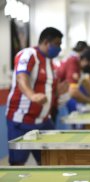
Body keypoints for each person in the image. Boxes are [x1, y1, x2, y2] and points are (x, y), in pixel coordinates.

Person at [6, 27, 68, 165]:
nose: (59, 48)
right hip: (22, 120)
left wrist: (59, 91)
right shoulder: (28, 54)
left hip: (44, 121)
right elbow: (22, 77)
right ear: (47, 42)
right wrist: (32, 95)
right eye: (57, 44)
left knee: (50, 160)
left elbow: (48, 91)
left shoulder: (51, 64)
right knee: (18, 163)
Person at [57, 48, 90, 113]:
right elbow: (73, 92)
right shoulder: (73, 63)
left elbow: (86, 82)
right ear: (85, 60)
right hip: (59, 104)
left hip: (64, 102)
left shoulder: (80, 68)